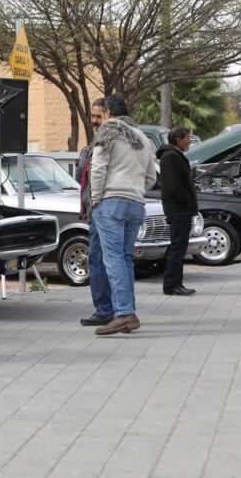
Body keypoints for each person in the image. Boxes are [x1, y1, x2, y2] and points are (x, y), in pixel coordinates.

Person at [84, 95, 156, 336]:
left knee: (112, 258)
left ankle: (124, 313)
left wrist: (96, 199)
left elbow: (98, 167)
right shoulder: (142, 137)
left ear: (106, 112)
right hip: (136, 203)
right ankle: (128, 312)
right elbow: (151, 177)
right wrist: (135, 191)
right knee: (125, 258)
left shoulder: (108, 131)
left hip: (111, 202)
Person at [76, 98, 110, 327]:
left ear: (108, 114)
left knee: (101, 259)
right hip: (93, 210)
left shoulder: (106, 142)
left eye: (99, 116)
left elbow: (97, 176)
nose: (95, 121)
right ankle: (111, 308)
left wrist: (96, 202)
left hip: (102, 208)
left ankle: (106, 310)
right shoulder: (93, 144)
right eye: (93, 116)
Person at [155, 127, 197, 296]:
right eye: (188, 138)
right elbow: (174, 187)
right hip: (178, 209)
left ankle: (176, 283)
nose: (189, 141)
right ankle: (172, 285)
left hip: (181, 209)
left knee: (180, 247)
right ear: (179, 139)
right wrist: (187, 200)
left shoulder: (173, 155)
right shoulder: (171, 156)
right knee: (177, 248)